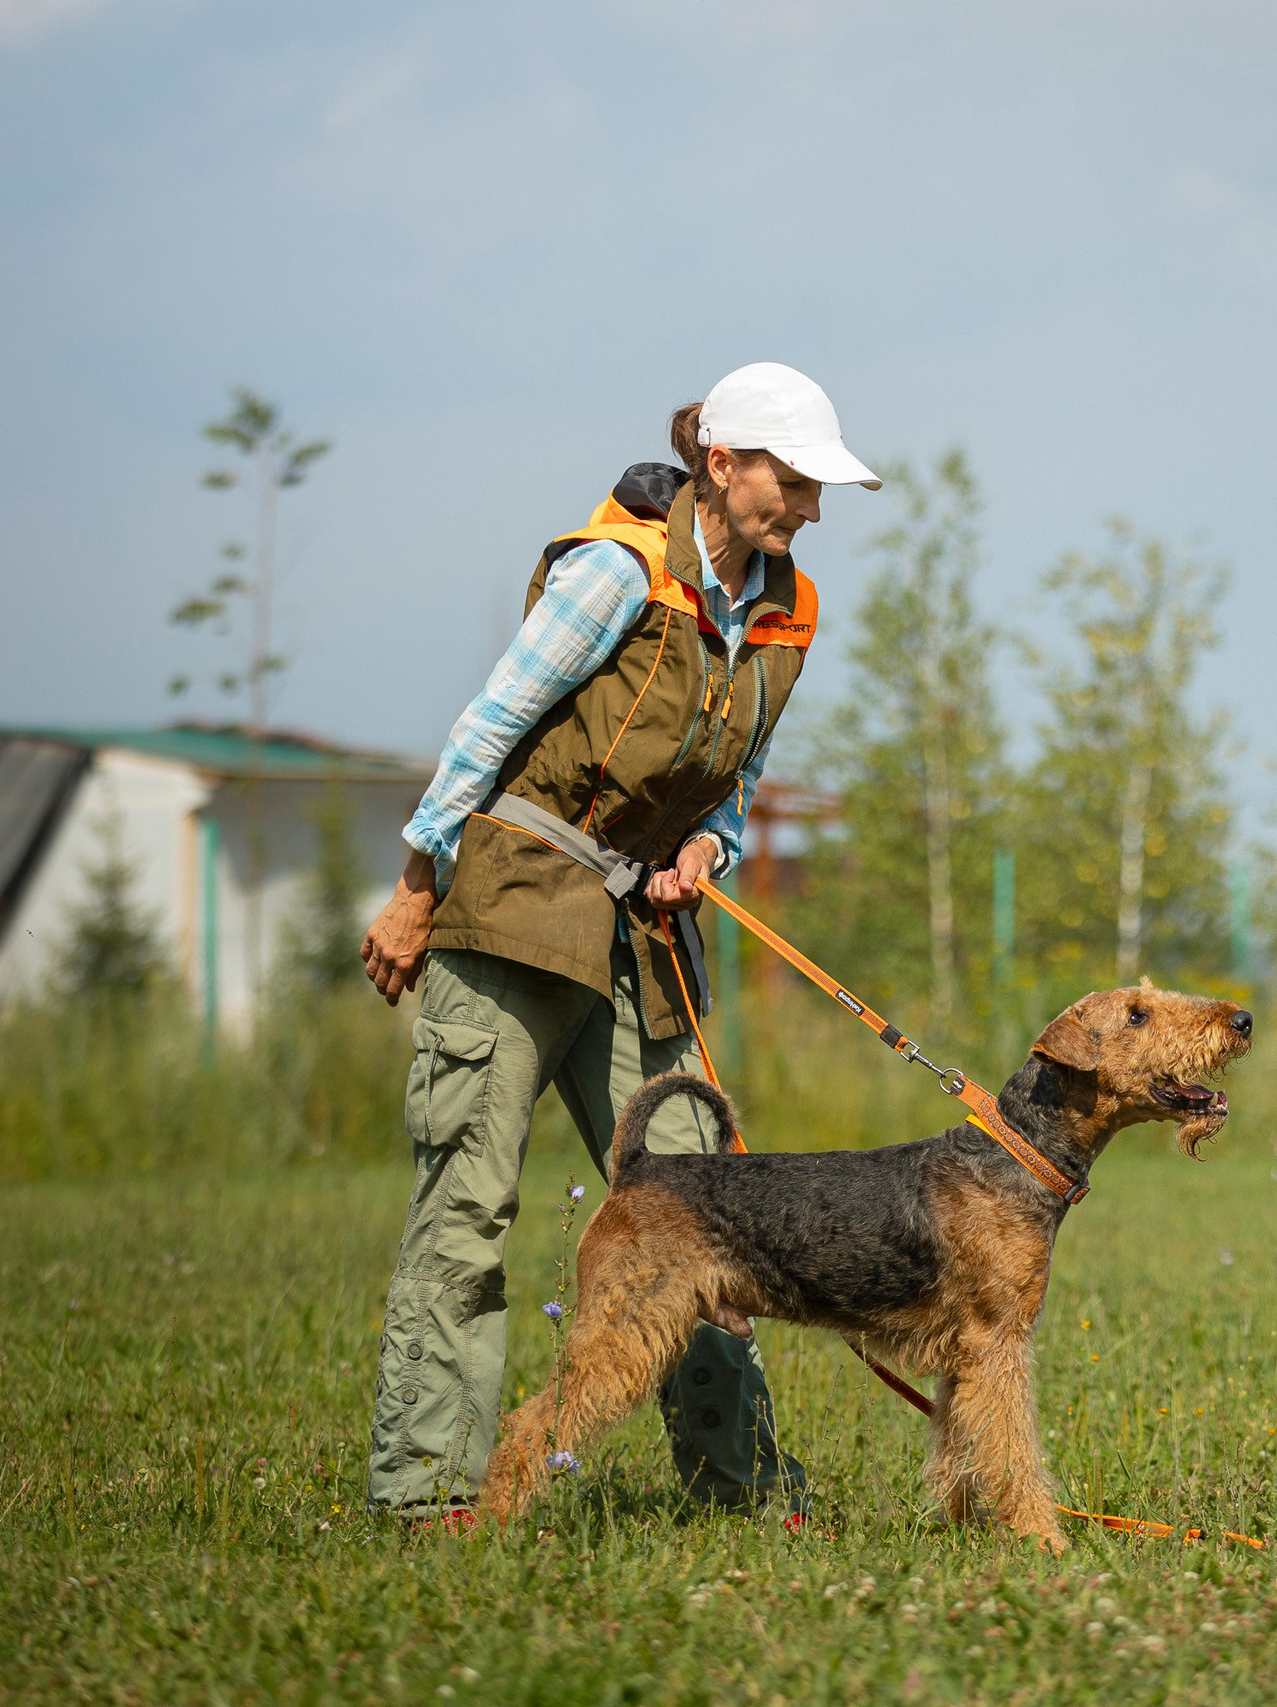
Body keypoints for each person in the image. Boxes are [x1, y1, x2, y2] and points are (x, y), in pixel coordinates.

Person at [355, 362, 879, 1525]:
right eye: (790, 481)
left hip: (639, 931)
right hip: (514, 907)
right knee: (470, 1210)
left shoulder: (788, 606)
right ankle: (430, 1496)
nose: (807, 509)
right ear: (723, 463)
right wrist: (413, 883)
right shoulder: (615, 572)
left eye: (817, 488)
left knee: (711, 1213)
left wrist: (713, 850)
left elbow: (734, 780)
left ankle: (742, 1490)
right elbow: (490, 721)